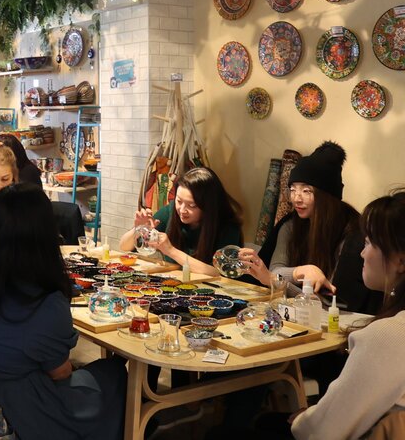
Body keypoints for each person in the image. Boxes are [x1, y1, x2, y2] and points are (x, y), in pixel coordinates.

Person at [0, 183, 127, 439]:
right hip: (17, 411)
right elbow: (60, 372)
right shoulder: (46, 298)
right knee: (114, 374)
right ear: (47, 233)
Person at [249, 190, 405, 440]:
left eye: (368, 243)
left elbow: (323, 430)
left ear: (400, 261)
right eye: (293, 189)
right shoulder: (289, 226)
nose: (362, 254)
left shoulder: (386, 337)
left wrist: (304, 416)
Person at [241, 141, 381, 313]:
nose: (296, 199)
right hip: (294, 315)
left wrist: (276, 281)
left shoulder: (354, 234)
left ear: (327, 195)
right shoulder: (290, 224)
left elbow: (335, 303)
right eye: (293, 189)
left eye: (306, 191)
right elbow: (276, 269)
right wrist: (302, 271)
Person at [120, 166, 243, 275]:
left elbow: (218, 273)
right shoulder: (171, 211)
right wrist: (138, 229)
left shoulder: (228, 227)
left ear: (209, 206)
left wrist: (171, 251)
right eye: (179, 201)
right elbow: (124, 246)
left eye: (192, 205)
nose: (182, 210)